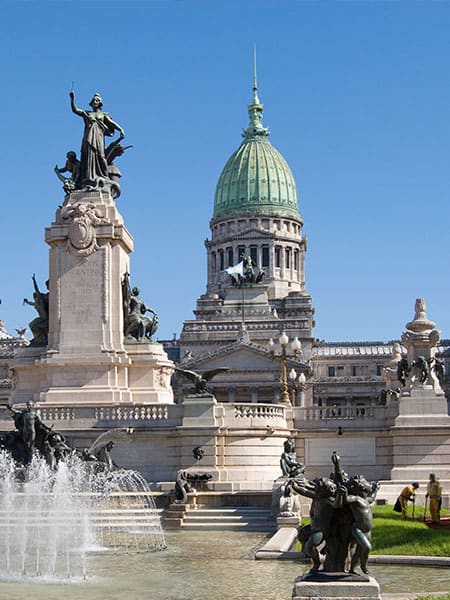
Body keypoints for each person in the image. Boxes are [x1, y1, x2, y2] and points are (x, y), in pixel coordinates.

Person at [70, 91, 125, 187]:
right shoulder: (87, 113)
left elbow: (111, 123)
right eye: (93, 100)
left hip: (98, 138)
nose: (95, 102)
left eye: (97, 100)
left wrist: (120, 129)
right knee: (88, 157)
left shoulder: (103, 115)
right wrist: (72, 99)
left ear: (100, 103)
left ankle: (104, 177)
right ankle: (87, 178)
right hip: (88, 138)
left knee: (101, 156)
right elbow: (75, 110)